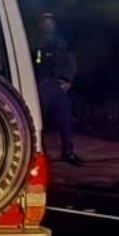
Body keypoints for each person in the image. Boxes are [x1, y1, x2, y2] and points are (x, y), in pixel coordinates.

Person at [33, 13, 84, 166]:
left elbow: (71, 62)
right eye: (45, 22)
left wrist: (68, 80)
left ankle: (68, 152)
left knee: (65, 119)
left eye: (50, 22)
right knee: (39, 120)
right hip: (42, 85)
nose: (48, 25)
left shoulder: (61, 43)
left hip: (58, 85)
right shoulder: (35, 43)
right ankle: (35, 151)